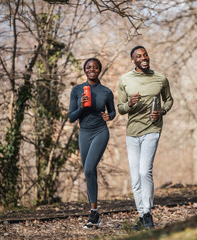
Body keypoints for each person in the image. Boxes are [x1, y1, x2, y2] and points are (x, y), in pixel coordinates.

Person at [117, 46, 173, 230]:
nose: (143, 58)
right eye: (139, 56)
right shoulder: (125, 80)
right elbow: (120, 108)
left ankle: (147, 212)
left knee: (144, 172)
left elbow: (169, 100)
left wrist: (162, 111)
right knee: (134, 178)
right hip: (132, 132)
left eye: (145, 55)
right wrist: (130, 103)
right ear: (133, 60)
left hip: (152, 128)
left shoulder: (160, 79)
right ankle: (142, 216)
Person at [69, 58, 116, 228]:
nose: (92, 70)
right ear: (85, 70)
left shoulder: (106, 91)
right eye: (89, 67)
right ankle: (94, 213)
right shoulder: (76, 90)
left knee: (89, 168)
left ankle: (93, 214)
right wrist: (81, 106)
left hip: (100, 132)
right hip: (84, 133)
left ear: (99, 70)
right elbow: (71, 118)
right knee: (89, 172)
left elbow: (112, 111)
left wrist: (109, 116)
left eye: (96, 67)